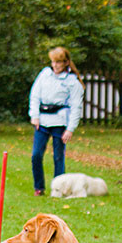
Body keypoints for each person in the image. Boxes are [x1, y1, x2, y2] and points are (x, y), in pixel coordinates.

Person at [28, 46, 84, 196]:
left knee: (58, 156)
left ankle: (60, 189)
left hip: (60, 122)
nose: (55, 65)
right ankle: (38, 187)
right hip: (43, 120)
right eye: (53, 62)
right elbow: (34, 95)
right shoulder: (45, 74)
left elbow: (76, 106)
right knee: (36, 155)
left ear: (65, 62)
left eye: (58, 62)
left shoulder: (72, 82)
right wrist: (34, 116)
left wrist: (70, 128)